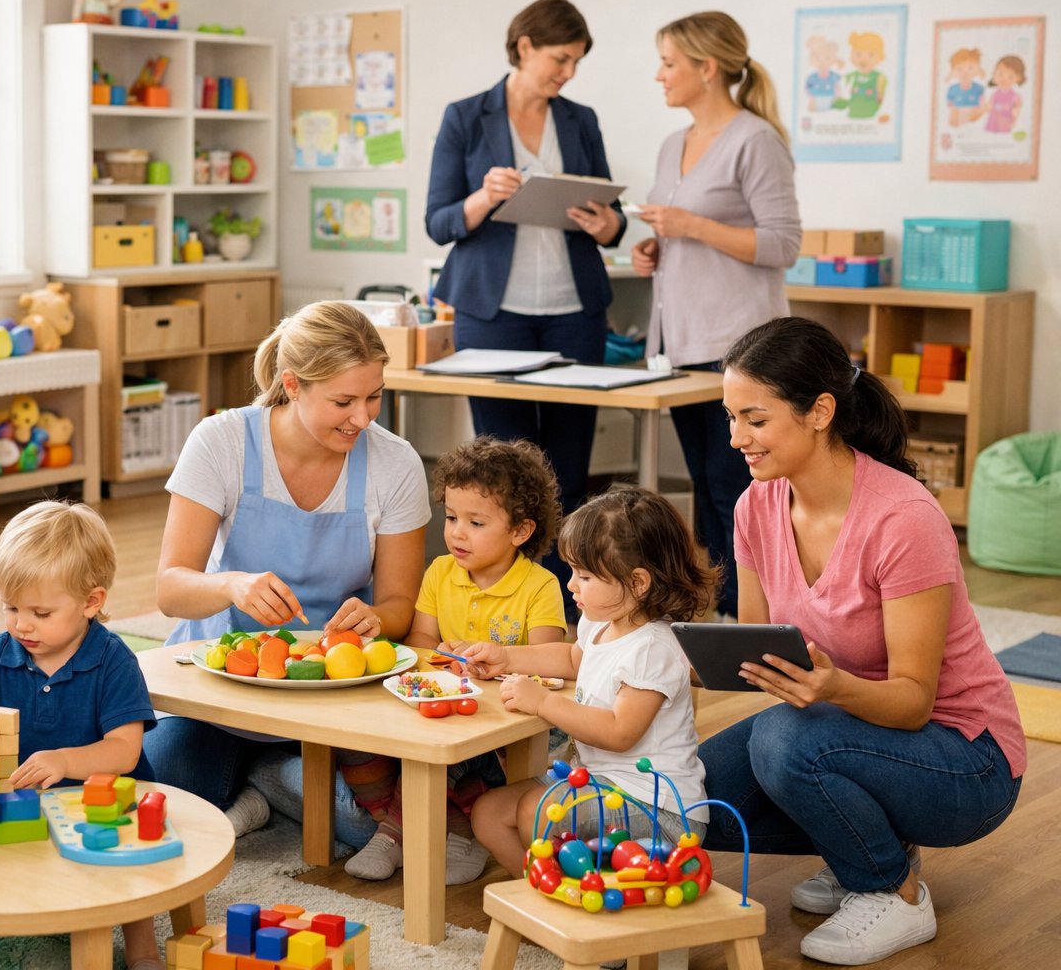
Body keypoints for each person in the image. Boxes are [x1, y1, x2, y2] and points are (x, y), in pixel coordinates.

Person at [702, 316, 1026, 965]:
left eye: (755, 420)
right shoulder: (755, 507)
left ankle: (892, 891)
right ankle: (866, 844)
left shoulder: (903, 520)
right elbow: (762, 646)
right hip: (848, 727)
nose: (736, 438)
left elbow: (911, 701)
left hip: (967, 760)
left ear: (820, 411)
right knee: (698, 796)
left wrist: (831, 686)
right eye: (730, 417)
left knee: (783, 740)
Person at [146, 300, 430, 852]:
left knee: (363, 829)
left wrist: (376, 617)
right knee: (163, 795)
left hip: (335, 690)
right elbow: (170, 589)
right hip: (224, 680)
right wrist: (232, 585)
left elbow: (399, 603)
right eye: (343, 401)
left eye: (375, 396)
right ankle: (267, 774)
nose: (364, 417)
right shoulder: (222, 441)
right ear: (293, 385)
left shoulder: (396, 464)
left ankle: (266, 779)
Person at [424, 0, 626, 613]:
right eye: (560, 59)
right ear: (524, 48)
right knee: (499, 472)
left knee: (569, 462)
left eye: (575, 63)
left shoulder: (581, 119)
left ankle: (569, 608)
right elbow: (438, 222)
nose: (567, 73)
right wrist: (484, 198)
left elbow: (615, 220)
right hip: (493, 313)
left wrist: (604, 224)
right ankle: (500, 604)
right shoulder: (465, 117)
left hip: (574, 310)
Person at [0, 499, 163, 970]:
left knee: (137, 861)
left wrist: (65, 762)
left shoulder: (113, 661)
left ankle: (142, 951)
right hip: (18, 802)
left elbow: (125, 750)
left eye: (40, 612)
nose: (21, 624)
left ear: (92, 602)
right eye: (10, 607)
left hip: (100, 802)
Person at [631, 10, 801, 619]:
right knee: (706, 483)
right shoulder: (672, 144)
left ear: (707, 69)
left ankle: (752, 621)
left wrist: (691, 227)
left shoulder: (756, 141)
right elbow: (687, 238)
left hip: (739, 344)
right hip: (681, 342)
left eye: (669, 63)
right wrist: (657, 247)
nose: (660, 75)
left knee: (738, 487)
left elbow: (782, 243)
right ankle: (724, 614)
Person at [340, 436, 564, 884]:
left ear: (520, 531)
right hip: (445, 704)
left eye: (476, 522)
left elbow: (548, 664)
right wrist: (439, 654)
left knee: (446, 752)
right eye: (451, 517)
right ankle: (455, 827)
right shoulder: (441, 572)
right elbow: (421, 638)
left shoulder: (540, 586)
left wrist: (498, 665)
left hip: (503, 725)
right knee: (357, 739)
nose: (457, 532)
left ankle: (395, 830)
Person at [463, 486, 719, 875]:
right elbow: (572, 658)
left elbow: (620, 732)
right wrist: (506, 657)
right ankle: (545, 901)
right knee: (489, 812)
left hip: (659, 810)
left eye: (584, 576)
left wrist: (544, 703)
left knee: (538, 809)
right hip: (599, 781)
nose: (571, 585)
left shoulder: (654, 647)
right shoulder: (600, 622)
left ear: (637, 583)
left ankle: (581, 911)